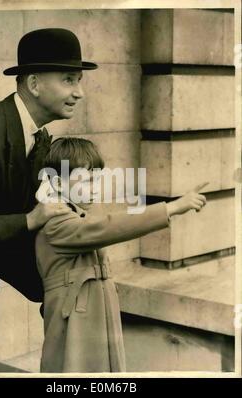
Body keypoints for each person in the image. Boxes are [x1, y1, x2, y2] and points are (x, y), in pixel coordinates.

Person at [0, 28, 98, 372]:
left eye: (79, 80)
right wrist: (33, 219)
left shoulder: (37, 134)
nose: (79, 93)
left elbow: (21, 207)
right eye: (68, 80)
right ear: (34, 84)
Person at [35, 137, 207, 373]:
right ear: (58, 183)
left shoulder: (72, 217)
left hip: (90, 321)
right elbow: (110, 226)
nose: (95, 188)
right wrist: (172, 207)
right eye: (86, 180)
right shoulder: (56, 223)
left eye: (97, 180)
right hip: (74, 325)